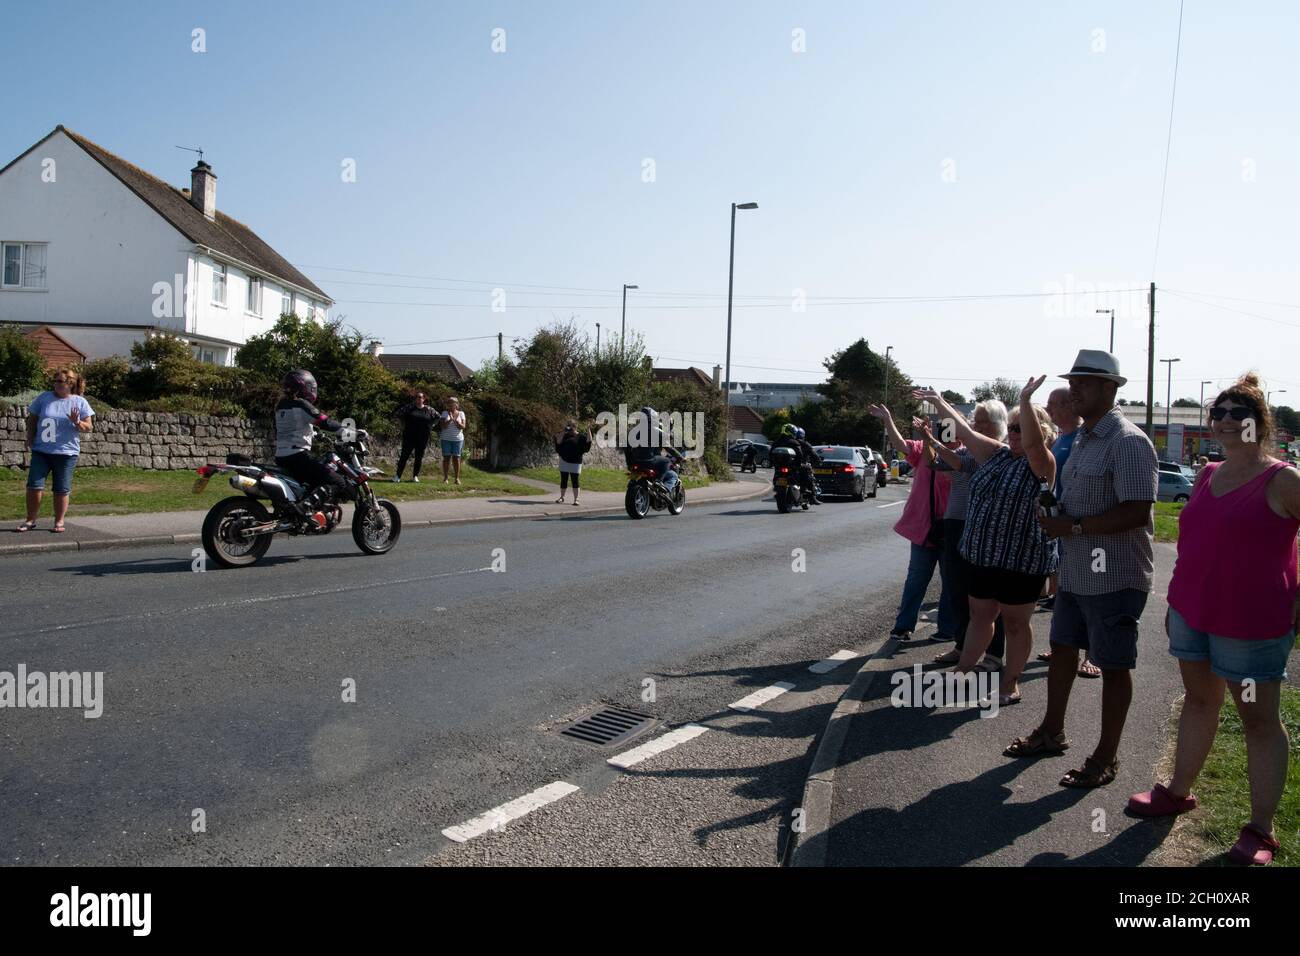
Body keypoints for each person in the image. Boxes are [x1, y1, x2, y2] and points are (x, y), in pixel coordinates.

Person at [1128, 374, 1299, 865]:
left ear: (1259, 423)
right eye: (1218, 413)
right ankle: (1178, 792)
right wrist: (1177, 604)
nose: (1225, 420)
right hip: (1193, 612)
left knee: (1258, 721)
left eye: (1237, 413)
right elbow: (1193, 544)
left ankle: (1260, 830)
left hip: (1252, 622)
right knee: (1200, 701)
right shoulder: (1206, 474)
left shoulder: (1282, 479)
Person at [1008, 350, 1159, 789]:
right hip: (1076, 572)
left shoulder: (1128, 441)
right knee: (1063, 650)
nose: (1074, 391)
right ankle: (1051, 732)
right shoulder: (1085, 439)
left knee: (1113, 666)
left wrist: (1071, 524)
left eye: (1084, 384)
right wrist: (1056, 512)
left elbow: (1135, 512)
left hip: (1115, 577)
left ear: (1111, 389)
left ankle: (1105, 758)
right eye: (1073, 383)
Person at [917, 383, 1059, 706]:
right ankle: (963, 669)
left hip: (1021, 560)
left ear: (1040, 431)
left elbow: (1035, 446)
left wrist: (1024, 400)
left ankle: (1010, 683)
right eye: (1010, 427)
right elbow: (965, 433)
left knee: (1015, 623)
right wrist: (939, 402)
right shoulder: (996, 455)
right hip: (984, 555)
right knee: (980, 616)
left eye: (1020, 428)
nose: (1013, 433)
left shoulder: (1042, 462)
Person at [928, 400, 1008, 670]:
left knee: (991, 599)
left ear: (998, 425)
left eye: (982, 420)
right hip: (960, 525)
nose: (975, 425)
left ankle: (994, 655)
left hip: (988, 530)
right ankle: (963, 647)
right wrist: (932, 437)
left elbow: (958, 462)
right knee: (958, 591)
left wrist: (939, 403)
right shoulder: (967, 451)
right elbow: (942, 463)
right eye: (975, 420)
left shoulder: (1000, 453)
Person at [868, 402, 955, 641]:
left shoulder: (963, 455)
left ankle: (947, 629)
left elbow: (945, 469)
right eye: (943, 430)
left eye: (951, 430)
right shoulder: (922, 447)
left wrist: (934, 443)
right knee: (916, 578)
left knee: (950, 582)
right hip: (924, 527)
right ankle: (904, 626)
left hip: (952, 527)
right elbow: (899, 444)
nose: (947, 435)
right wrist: (888, 418)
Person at [1039, 387, 1102, 678]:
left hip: (1082, 528)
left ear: (1068, 405)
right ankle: (1063, 645)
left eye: (1052, 404)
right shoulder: (1059, 438)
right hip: (1060, 526)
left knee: (1090, 592)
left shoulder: (1081, 436)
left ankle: (1093, 654)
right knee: (1064, 590)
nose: (1048, 409)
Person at [17, 367, 95, 534]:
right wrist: (29, 437)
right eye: (55, 381)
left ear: (70, 384)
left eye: (61, 381)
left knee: (61, 488)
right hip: (42, 451)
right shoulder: (44, 398)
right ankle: (30, 520)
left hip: (66, 453)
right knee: (34, 486)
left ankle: (59, 521)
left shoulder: (79, 402)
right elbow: (32, 419)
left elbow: (88, 427)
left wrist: (77, 422)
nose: (57, 384)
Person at [274, 369, 349, 518]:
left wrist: (313, 434)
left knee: (313, 481)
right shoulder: (301, 404)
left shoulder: (280, 405)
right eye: (310, 387)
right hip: (297, 456)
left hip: (281, 456)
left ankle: (305, 510)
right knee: (338, 482)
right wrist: (349, 431)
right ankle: (305, 507)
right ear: (303, 388)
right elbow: (324, 422)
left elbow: (292, 427)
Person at [624, 406, 684, 490]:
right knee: (668, 464)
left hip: (635, 462)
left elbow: (627, 449)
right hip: (650, 461)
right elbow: (668, 443)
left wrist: (629, 463)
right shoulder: (655, 430)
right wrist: (680, 457)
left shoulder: (634, 431)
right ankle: (659, 482)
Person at [392, 390, 437, 483]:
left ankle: (415, 476)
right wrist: (401, 425)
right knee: (404, 456)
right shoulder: (409, 408)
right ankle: (397, 476)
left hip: (423, 437)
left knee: (419, 457)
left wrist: (431, 426)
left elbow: (438, 417)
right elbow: (396, 414)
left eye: (420, 397)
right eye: (417, 397)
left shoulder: (429, 409)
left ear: (424, 399)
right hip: (409, 436)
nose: (418, 399)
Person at [554, 421, 592, 505]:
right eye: (568, 426)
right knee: (563, 480)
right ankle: (562, 497)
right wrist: (564, 431)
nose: (570, 428)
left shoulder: (580, 437)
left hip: (576, 462)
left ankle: (576, 499)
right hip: (564, 460)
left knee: (575, 480)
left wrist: (588, 429)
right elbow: (558, 441)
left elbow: (589, 440)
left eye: (571, 427)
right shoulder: (565, 435)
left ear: (575, 427)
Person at [438, 397, 467, 485]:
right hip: (446, 439)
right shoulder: (444, 413)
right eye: (449, 402)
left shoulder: (461, 413)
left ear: (456, 404)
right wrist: (450, 419)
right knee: (446, 458)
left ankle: (457, 479)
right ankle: (446, 478)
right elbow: (442, 426)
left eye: (453, 402)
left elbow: (463, 426)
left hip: (457, 439)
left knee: (456, 458)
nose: (451, 404)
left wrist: (455, 421)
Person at [794, 426, 823, 504]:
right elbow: (815, 455)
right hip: (800, 465)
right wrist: (818, 461)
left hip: (789, 465)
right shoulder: (805, 444)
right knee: (810, 476)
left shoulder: (789, 442)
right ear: (802, 435)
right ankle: (812, 497)